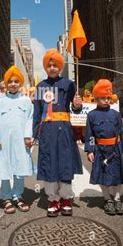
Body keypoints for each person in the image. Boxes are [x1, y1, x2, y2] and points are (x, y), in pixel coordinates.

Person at [33, 49, 83, 217]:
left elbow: (76, 109)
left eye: (55, 65)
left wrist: (77, 104)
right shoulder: (41, 86)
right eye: (49, 65)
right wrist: (34, 134)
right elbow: (37, 111)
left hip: (64, 130)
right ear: (46, 68)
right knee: (49, 164)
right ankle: (53, 199)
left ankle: (66, 198)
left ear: (60, 67)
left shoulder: (69, 84)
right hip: (47, 131)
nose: (52, 68)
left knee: (65, 164)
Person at [0, 66, 35, 214]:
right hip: (3, 141)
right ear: (6, 83)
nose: (13, 84)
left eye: (16, 81)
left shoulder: (26, 101)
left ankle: (17, 195)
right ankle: (6, 198)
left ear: (20, 83)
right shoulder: (0, 101)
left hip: (21, 141)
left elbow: (30, 120)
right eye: (10, 81)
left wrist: (28, 137)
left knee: (19, 168)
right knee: (4, 168)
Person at [85, 79, 123, 215]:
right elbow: (89, 135)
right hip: (100, 150)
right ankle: (107, 199)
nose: (106, 100)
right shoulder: (91, 115)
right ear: (96, 98)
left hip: (115, 149)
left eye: (108, 98)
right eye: (102, 98)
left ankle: (117, 199)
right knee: (102, 175)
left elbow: (122, 132)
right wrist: (89, 150)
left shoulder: (115, 114)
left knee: (117, 175)